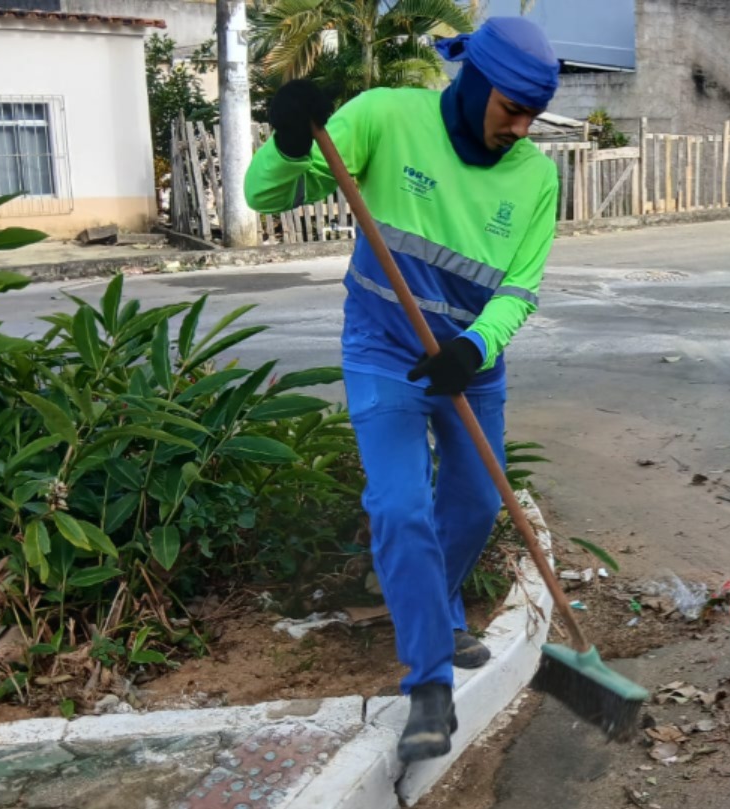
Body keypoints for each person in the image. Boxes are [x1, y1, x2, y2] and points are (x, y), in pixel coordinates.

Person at [243, 17, 560, 763]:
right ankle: (427, 679)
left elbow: (520, 287)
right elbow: (266, 194)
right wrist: (290, 142)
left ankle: (438, 608)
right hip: (382, 348)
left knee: (477, 501)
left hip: (469, 362)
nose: (520, 127)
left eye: (531, 115)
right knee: (398, 503)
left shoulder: (536, 175)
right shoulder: (385, 115)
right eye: (511, 107)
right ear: (475, 81)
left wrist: (473, 346)